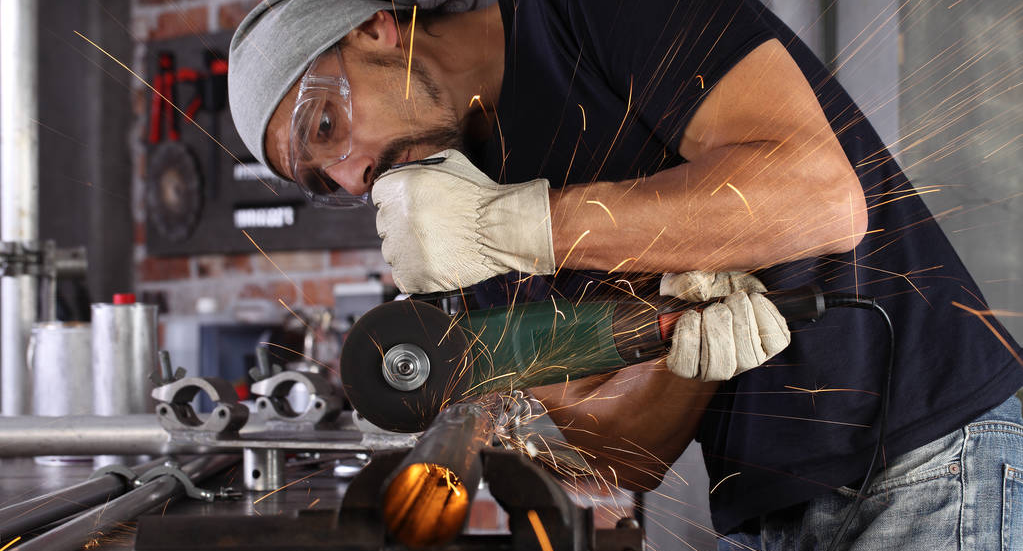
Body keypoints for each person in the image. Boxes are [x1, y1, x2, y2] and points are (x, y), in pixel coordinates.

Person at [228, 0, 1023, 548]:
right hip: (769, 509)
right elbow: (613, 460)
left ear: (373, 25)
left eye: (326, 126)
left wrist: (513, 227)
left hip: (925, 455)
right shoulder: (444, 218)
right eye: (319, 179)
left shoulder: (586, 14)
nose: (352, 174)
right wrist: (686, 355)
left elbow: (821, 197)